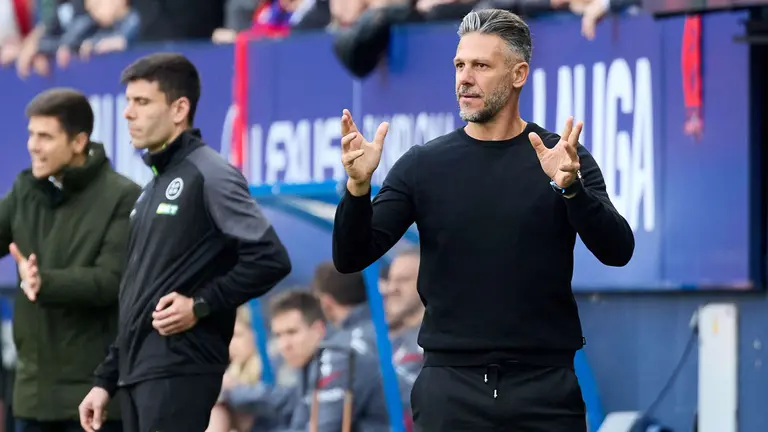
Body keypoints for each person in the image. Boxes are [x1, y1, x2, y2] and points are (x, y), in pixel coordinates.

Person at [332, 9, 635, 432]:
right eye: (459, 65)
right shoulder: (424, 165)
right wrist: (358, 189)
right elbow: (351, 256)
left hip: (544, 389)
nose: (464, 78)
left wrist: (571, 189)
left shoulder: (564, 158)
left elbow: (618, 250)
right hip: (450, 392)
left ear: (518, 74)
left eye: (480, 66)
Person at [77, 53, 292, 432]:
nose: (128, 113)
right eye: (128, 102)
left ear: (179, 109)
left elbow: (270, 258)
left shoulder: (210, 173)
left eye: (142, 102)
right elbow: (138, 297)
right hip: (138, 374)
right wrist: (105, 379)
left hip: (181, 368)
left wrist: (201, 305)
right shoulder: (151, 189)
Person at [0, 88, 141, 432]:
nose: (33, 145)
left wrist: (43, 282)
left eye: (45, 136)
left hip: (93, 400)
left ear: (78, 142)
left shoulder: (123, 196)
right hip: (31, 398)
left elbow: (110, 281)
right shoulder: (25, 190)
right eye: (32, 134)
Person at [221, 290, 389, 431]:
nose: (284, 345)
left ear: (318, 330)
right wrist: (234, 394)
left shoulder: (336, 356)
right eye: (278, 335)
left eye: (292, 332)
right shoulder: (311, 359)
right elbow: (292, 410)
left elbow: (321, 429)